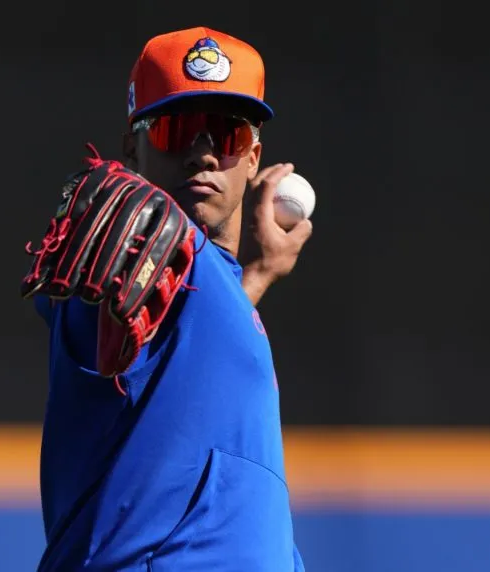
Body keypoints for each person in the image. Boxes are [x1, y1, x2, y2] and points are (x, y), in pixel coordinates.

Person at [22, 26, 312, 571]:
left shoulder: (220, 296)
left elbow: (193, 357)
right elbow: (136, 310)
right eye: (177, 128)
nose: (202, 153)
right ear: (133, 146)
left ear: (253, 157)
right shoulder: (135, 250)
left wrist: (259, 274)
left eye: (225, 134)